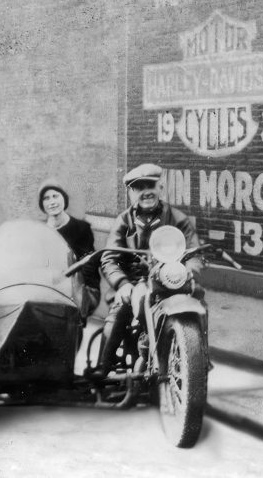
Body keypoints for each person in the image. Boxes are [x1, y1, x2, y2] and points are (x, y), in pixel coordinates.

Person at [92, 162, 203, 378]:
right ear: (131, 193)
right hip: (135, 282)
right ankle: (103, 366)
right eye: (139, 188)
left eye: (150, 185)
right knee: (120, 310)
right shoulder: (124, 220)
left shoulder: (178, 218)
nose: (146, 192)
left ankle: (198, 363)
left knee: (198, 304)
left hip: (170, 280)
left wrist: (188, 271)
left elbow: (195, 254)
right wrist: (122, 284)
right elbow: (109, 258)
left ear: (160, 187)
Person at [38, 178, 100, 317]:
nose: (52, 202)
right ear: (42, 204)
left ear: (63, 198)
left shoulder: (81, 228)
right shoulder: (39, 230)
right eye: (46, 198)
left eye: (55, 196)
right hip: (46, 286)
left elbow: (88, 266)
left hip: (79, 287)